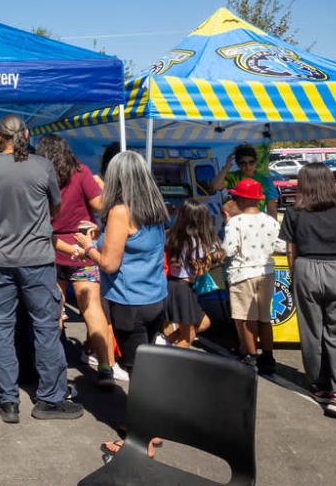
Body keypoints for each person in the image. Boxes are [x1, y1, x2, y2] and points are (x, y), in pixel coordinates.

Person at [0, 115, 83, 423]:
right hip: (38, 259)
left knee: (2, 330)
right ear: (27, 134)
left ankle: (8, 401)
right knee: (46, 328)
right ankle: (50, 399)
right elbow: (55, 208)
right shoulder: (42, 166)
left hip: (1, 260)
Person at [72, 150, 169, 457]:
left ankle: (140, 442)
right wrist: (103, 237)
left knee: (135, 371)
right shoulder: (155, 208)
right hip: (155, 298)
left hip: (131, 303)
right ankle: (148, 428)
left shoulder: (120, 212)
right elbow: (136, 246)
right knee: (146, 368)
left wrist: (89, 247)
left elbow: (110, 264)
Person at [280, 162, 336, 418]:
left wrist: (295, 272)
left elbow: (291, 250)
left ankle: (320, 386)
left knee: (312, 331)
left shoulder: (293, 212)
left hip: (305, 269)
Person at [37, 134, 124, 388]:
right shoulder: (81, 171)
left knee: (54, 310)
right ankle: (106, 367)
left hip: (51, 249)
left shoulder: (41, 177)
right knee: (92, 309)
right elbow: (100, 206)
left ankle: (55, 367)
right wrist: (101, 185)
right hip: (83, 249)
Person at [222, 178, 280, 375]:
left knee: (246, 318)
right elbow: (277, 246)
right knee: (264, 318)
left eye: (236, 196)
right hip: (266, 272)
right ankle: (269, 357)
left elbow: (229, 250)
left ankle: (251, 357)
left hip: (243, 273)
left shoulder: (235, 222)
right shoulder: (270, 221)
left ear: (242, 198)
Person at [163, 198, 220, 349]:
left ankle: (165, 343)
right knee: (188, 337)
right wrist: (210, 261)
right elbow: (199, 271)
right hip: (184, 288)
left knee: (203, 322)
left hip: (172, 284)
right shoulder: (196, 241)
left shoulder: (170, 235)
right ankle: (168, 365)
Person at [211, 143, 279, 219]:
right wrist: (226, 167)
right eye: (243, 163)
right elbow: (215, 186)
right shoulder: (232, 177)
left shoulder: (265, 180)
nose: (248, 166)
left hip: (257, 222)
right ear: (237, 164)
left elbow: (272, 209)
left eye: (251, 162)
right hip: (235, 222)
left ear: (256, 161)